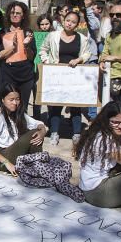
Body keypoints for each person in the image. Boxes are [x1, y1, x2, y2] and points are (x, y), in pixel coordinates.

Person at [40, 10, 96, 146]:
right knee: (56, 106)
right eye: (68, 20)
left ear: (77, 25)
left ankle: (76, 134)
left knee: (75, 106)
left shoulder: (82, 38)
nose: (69, 24)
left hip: (74, 77)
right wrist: (48, 62)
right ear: (63, 21)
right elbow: (43, 50)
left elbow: (88, 53)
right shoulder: (53, 36)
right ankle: (54, 133)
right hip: (57, 75)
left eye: (73, 22)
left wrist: (79, 59)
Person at [0, 84, 47, 176]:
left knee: (38, 132)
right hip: (2, 154)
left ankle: (36, 164)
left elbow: (36, 123)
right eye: (11, 100)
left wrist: (43, 131)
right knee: (33, 134)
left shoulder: (16, 112)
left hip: (13, 149)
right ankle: (38, 166)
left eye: (17, 99)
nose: (15, 103)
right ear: (3, 100)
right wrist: (7, 163)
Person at [0, 1, 37, 115]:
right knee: (8, 107)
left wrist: (26, 46)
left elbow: (32, 56)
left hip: (25, 75)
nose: (15, 15)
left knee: (22, 108)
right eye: (12, 12)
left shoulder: (28, 32)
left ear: (23, 15)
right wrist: (12, 48)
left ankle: (21, 130)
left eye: (18, 13)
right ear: (9, 14)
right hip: (8, 75)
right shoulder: (3, 32)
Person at [99, 3, 121, 100]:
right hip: (110, 78)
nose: (114, 17)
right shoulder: (110, 35)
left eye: (118, 15)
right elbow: (104, 53)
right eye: (111, 15)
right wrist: (102, 61)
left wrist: (116, 57)